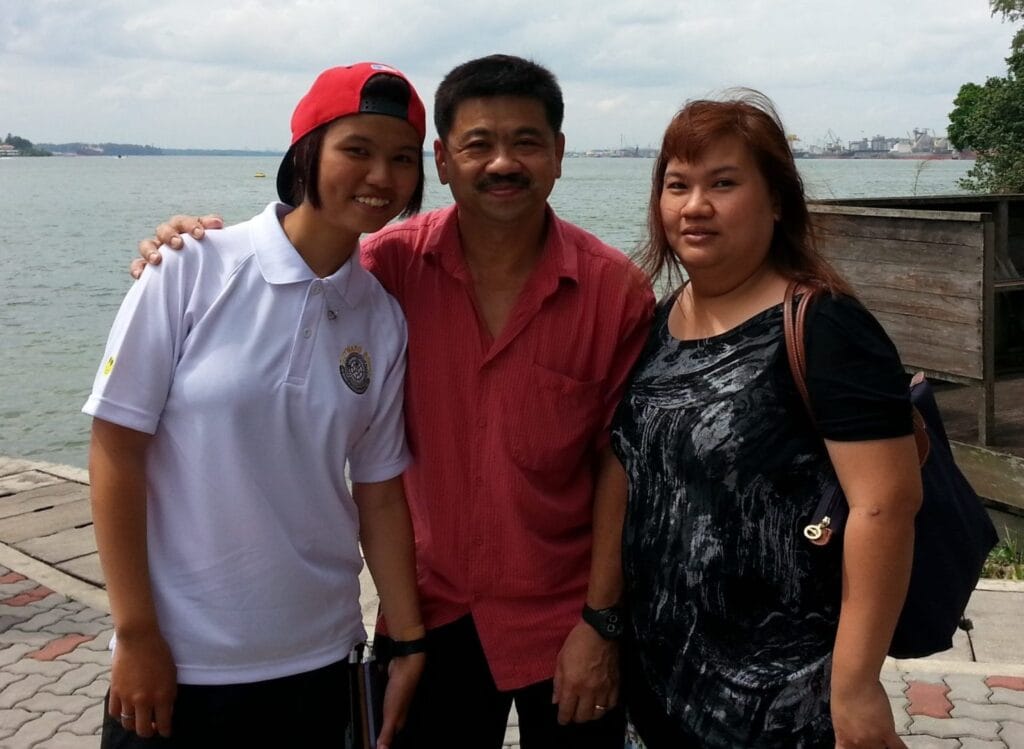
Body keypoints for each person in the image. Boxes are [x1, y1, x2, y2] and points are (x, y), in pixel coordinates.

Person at [130, 55, 655, 748]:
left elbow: (621, 466)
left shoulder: (614, 291)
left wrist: (602, 621)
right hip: (427, 617)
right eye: (477, 144)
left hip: (565, 617)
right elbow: (290, 266)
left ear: (558, 155)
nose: (503, 162)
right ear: (440, 160)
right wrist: (185, 248)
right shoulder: (384, 271)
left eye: (527, 141)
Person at [85, 62, 428, 748]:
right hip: (181, 662)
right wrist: (136, 632)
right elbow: (116, 449)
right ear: (307, 152)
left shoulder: (381, 317)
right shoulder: (191, 266)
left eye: (402, 158)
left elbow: (380, 491)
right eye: (356, 149)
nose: (381, 176)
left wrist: (409, 636)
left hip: (321, 658)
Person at [610, 90, 923, 748]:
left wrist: (856, 686)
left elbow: (885, 506)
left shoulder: (825, 324)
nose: (695, 205)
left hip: (783, 699)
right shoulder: (660, 321)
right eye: (678, 185)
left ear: (777, 201)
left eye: (724, 183)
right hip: (662, 680)